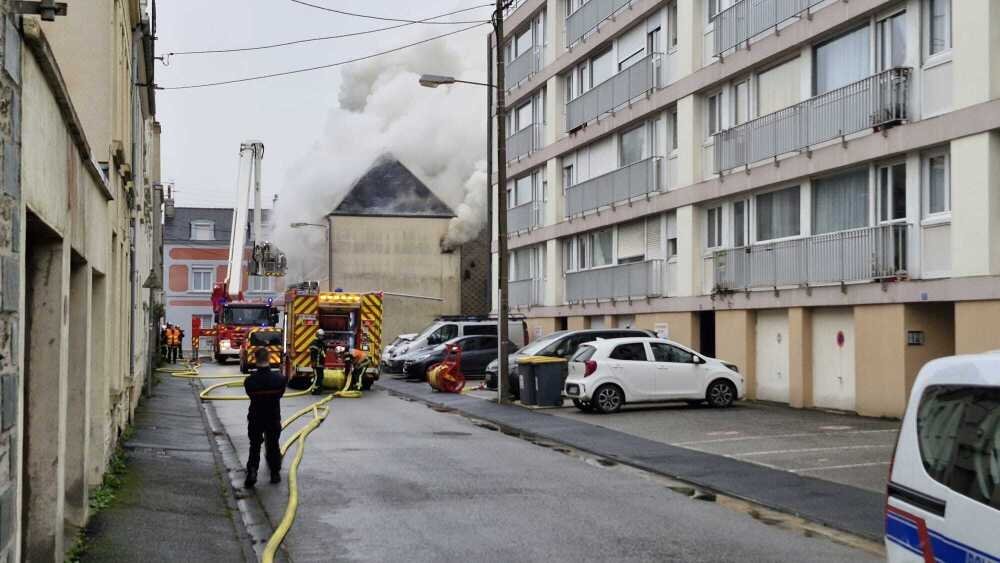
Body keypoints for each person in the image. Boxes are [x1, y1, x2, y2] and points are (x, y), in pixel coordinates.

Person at [243, 347, 286, 488]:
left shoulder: (249, 381)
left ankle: (252, 471)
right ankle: (275, 474)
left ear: (255, 359)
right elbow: (280, 394)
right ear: (269, 359)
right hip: (273, 417)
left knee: (254, 445)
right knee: (273, 445)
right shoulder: (279, 380)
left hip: (256, 417)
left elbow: (250, 395)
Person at [309, 329, 327, 395]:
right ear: (317, 335)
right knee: (316, 377)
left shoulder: (322, 343)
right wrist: (313, 362)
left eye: (322, 336)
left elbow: (324, 353)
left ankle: (319, 389)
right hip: (316, 364)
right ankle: (314, 390)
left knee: (320, 377)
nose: (321, 337)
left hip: (321, 364)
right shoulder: (314, 343)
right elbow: (313, 354)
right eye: (320, 336)